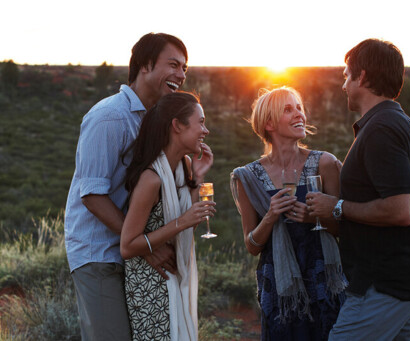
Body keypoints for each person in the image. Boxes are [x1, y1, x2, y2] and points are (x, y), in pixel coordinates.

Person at [64, 33, 211, 341]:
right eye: (173, 64)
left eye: (185, 68)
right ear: (145, 65)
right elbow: (91, 195)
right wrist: (148, 246)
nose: (181, 75)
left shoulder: (156, 122)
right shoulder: (109, 117)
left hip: (134, 254)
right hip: (100, 253)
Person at [305, 39, 410, 340]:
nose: (343, 86)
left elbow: (402, 210)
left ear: (361, 77)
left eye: (345, 76)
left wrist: (336, 207)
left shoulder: (381, 130)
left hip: (383, 287)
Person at [230, 86, 346, 340]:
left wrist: (314, 218)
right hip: (279, 291)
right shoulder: (248, 177)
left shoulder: (325, 164)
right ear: (269, 123)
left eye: (299, 108)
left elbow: (345, 228)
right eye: (288, 109)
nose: (299, 115)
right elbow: (251, 245)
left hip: (323, 283)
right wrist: (271, 217)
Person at [119, 91, 213, 341]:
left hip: (173, 275)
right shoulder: (151, 178)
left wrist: (199, 175)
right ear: (177, 126)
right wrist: (182, 221)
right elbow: (127, 246)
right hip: (150, 286)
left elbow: (187, 227)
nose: (206, 131)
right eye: (200, 122)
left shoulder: (183, 167)